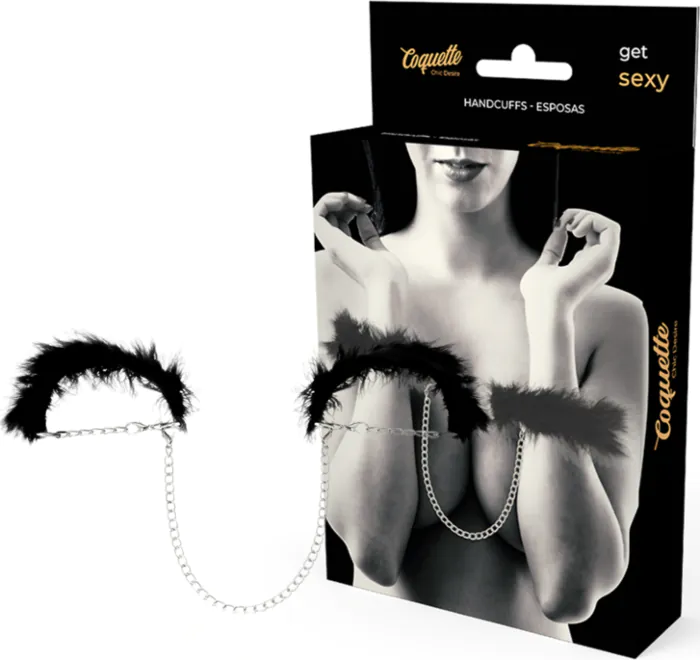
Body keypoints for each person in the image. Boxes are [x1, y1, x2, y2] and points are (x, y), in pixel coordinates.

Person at [312, 144, 649, 641]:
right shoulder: (332, 282)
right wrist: (384, 295)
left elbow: (571, 590)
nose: (458, 146)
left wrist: (552, 316)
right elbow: (373, 548)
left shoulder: (609, 314)